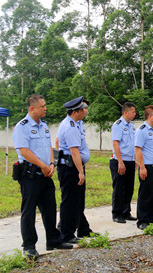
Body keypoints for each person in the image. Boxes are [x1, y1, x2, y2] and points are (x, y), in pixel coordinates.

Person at [13, 95, 72, 258]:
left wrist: (52, 164)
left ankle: (53, 240)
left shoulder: (44, 126)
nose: (46, 108)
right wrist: (43, 165)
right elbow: (24, 150)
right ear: (32, 109)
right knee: (29, 211)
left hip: (46, 173)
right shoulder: (22, 127)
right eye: (43, 106)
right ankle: (29, 246)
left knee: (50, 209)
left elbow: (48, 147)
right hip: (30, 175)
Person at [57, 96, 94, 243]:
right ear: (75, 112)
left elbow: (58, 141)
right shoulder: (70, 127)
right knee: (70, 202)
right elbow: (74, 151)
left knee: (78, 201)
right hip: (70, 167)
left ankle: (82, 229)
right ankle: (66, 233)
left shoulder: (77, 124)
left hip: (74, 166)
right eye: (83, 109)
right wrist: (80, 171)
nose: (85, 111)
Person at [110, 102, 137, 224]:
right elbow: (115, 143)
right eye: (133, 112)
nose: (135, 114)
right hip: (120, 161)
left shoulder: (131, 126)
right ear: (125, 112)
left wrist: (135, 160)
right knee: (119, 188)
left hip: (130, 160)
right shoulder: (118, 125)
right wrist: (120, 162)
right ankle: (117, 213)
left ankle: (126, 212)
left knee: (129, 188)